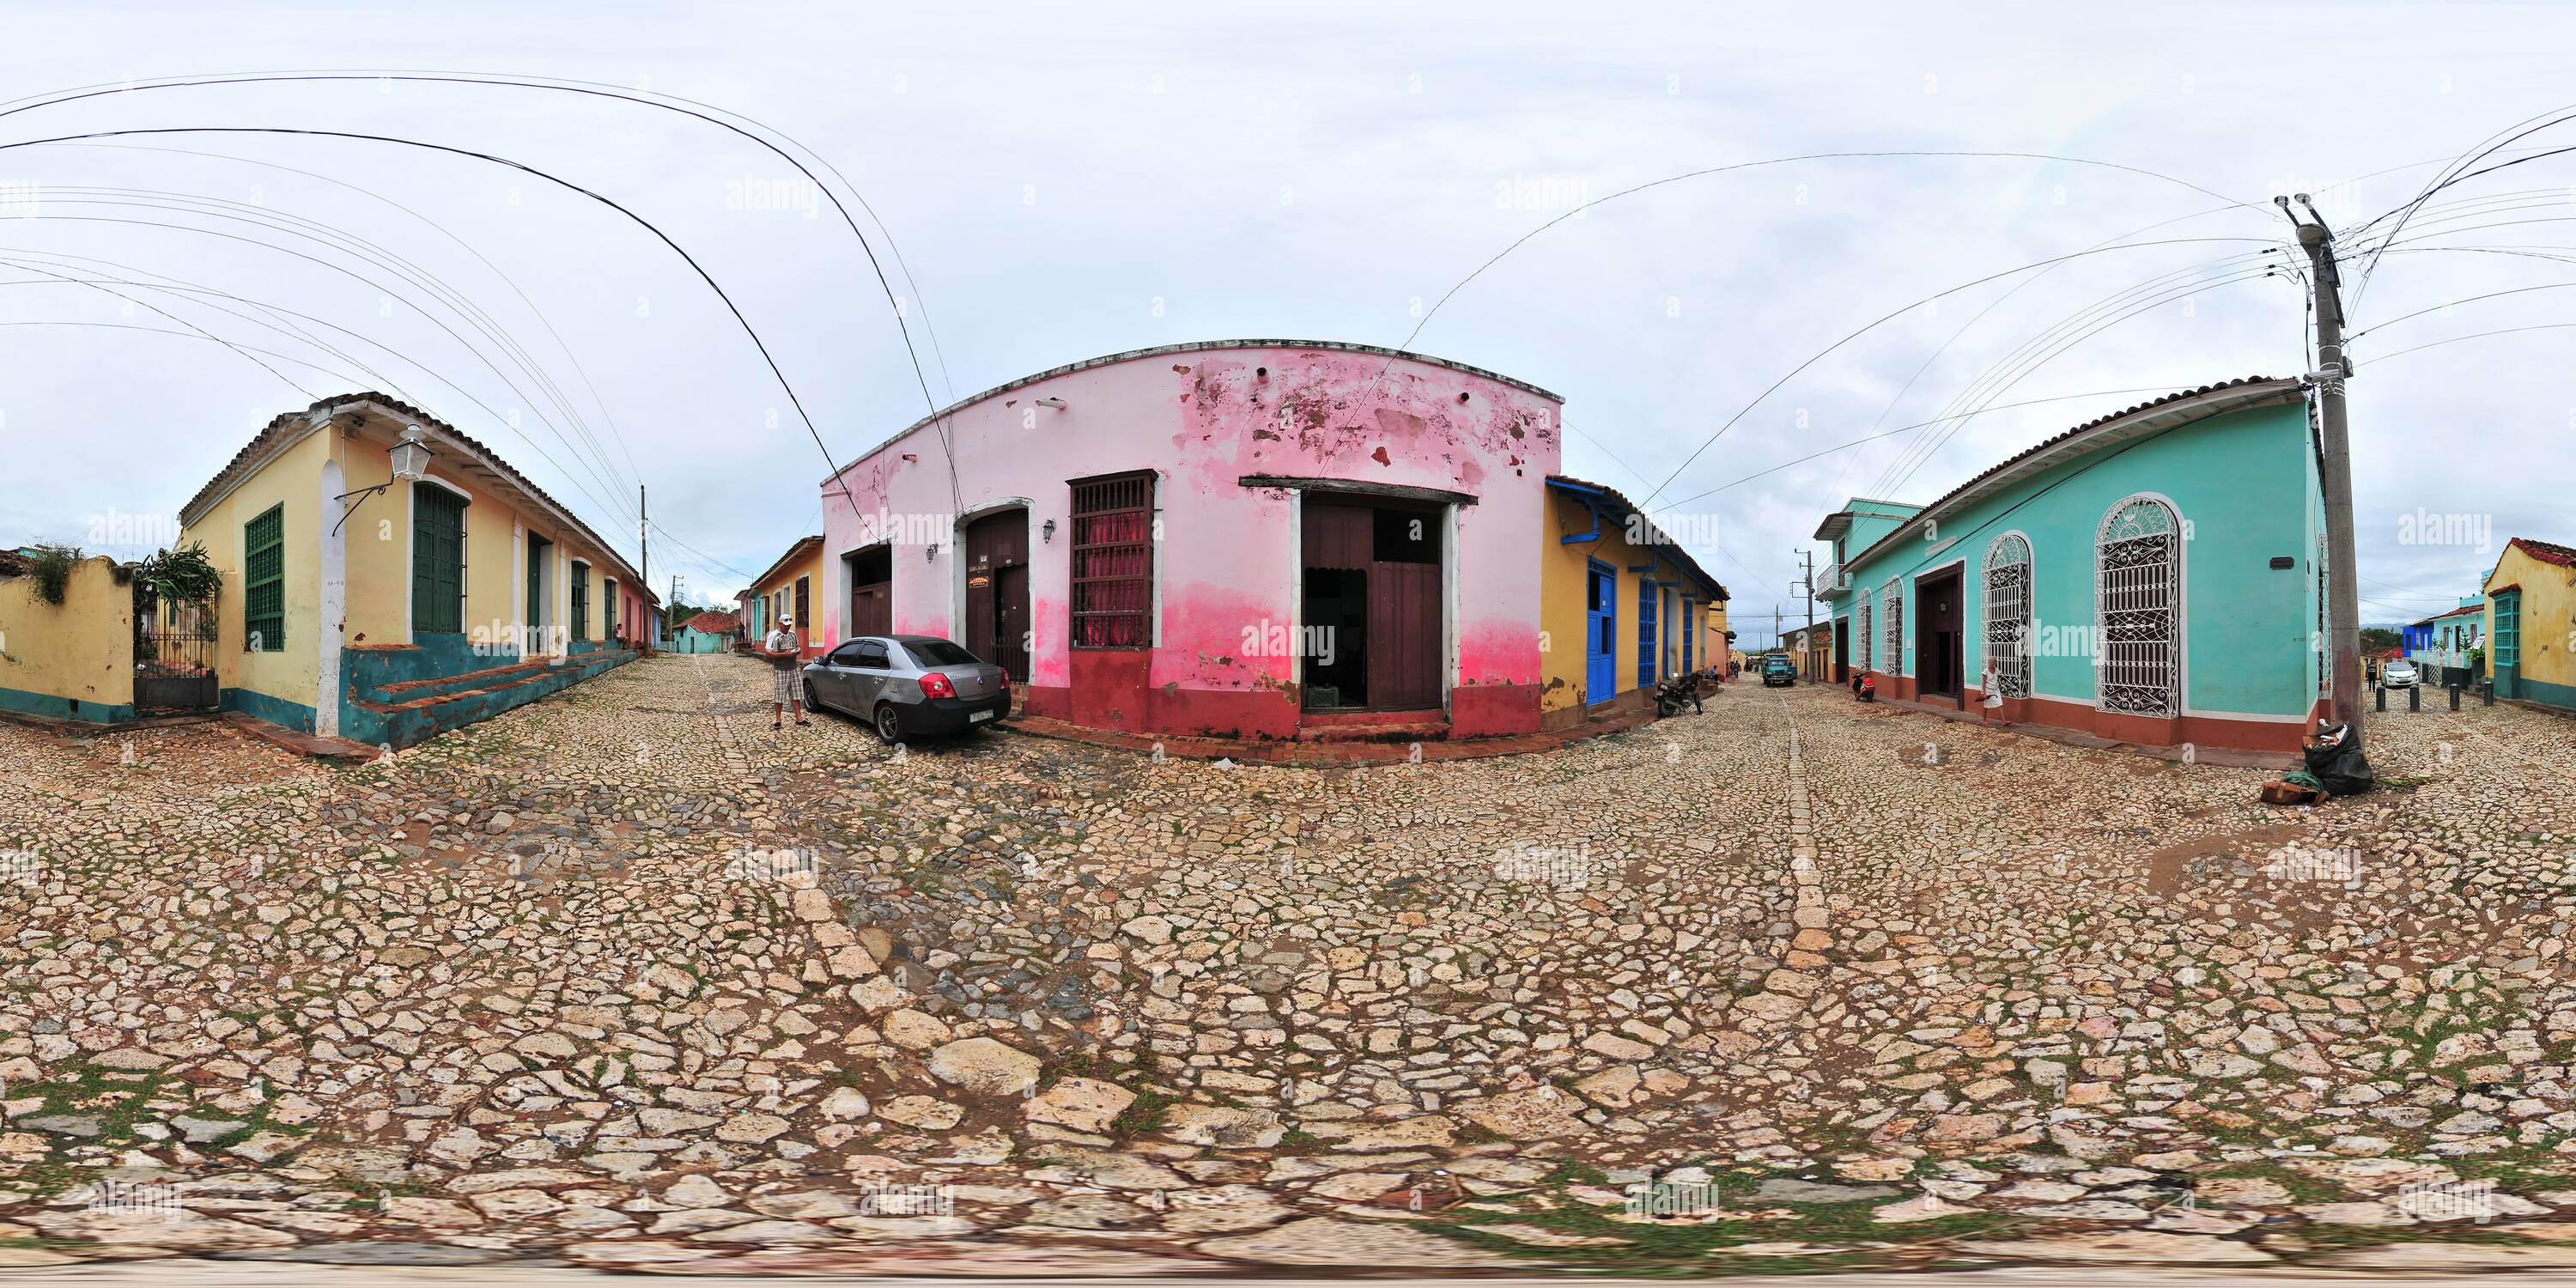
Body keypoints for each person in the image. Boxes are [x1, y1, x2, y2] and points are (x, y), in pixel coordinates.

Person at [766, 613, 807, 730]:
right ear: (780, 624)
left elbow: (798, 647)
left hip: (793, 667)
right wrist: (783, 654)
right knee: (779, 695)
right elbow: (768, 653)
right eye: (785, 625)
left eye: (789, 625)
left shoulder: (793, 634)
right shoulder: (773, 636)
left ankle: (799, 718)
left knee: (796, 694)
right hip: (780, 669)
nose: (787, 627)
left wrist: (796, 652)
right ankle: (778, 719)